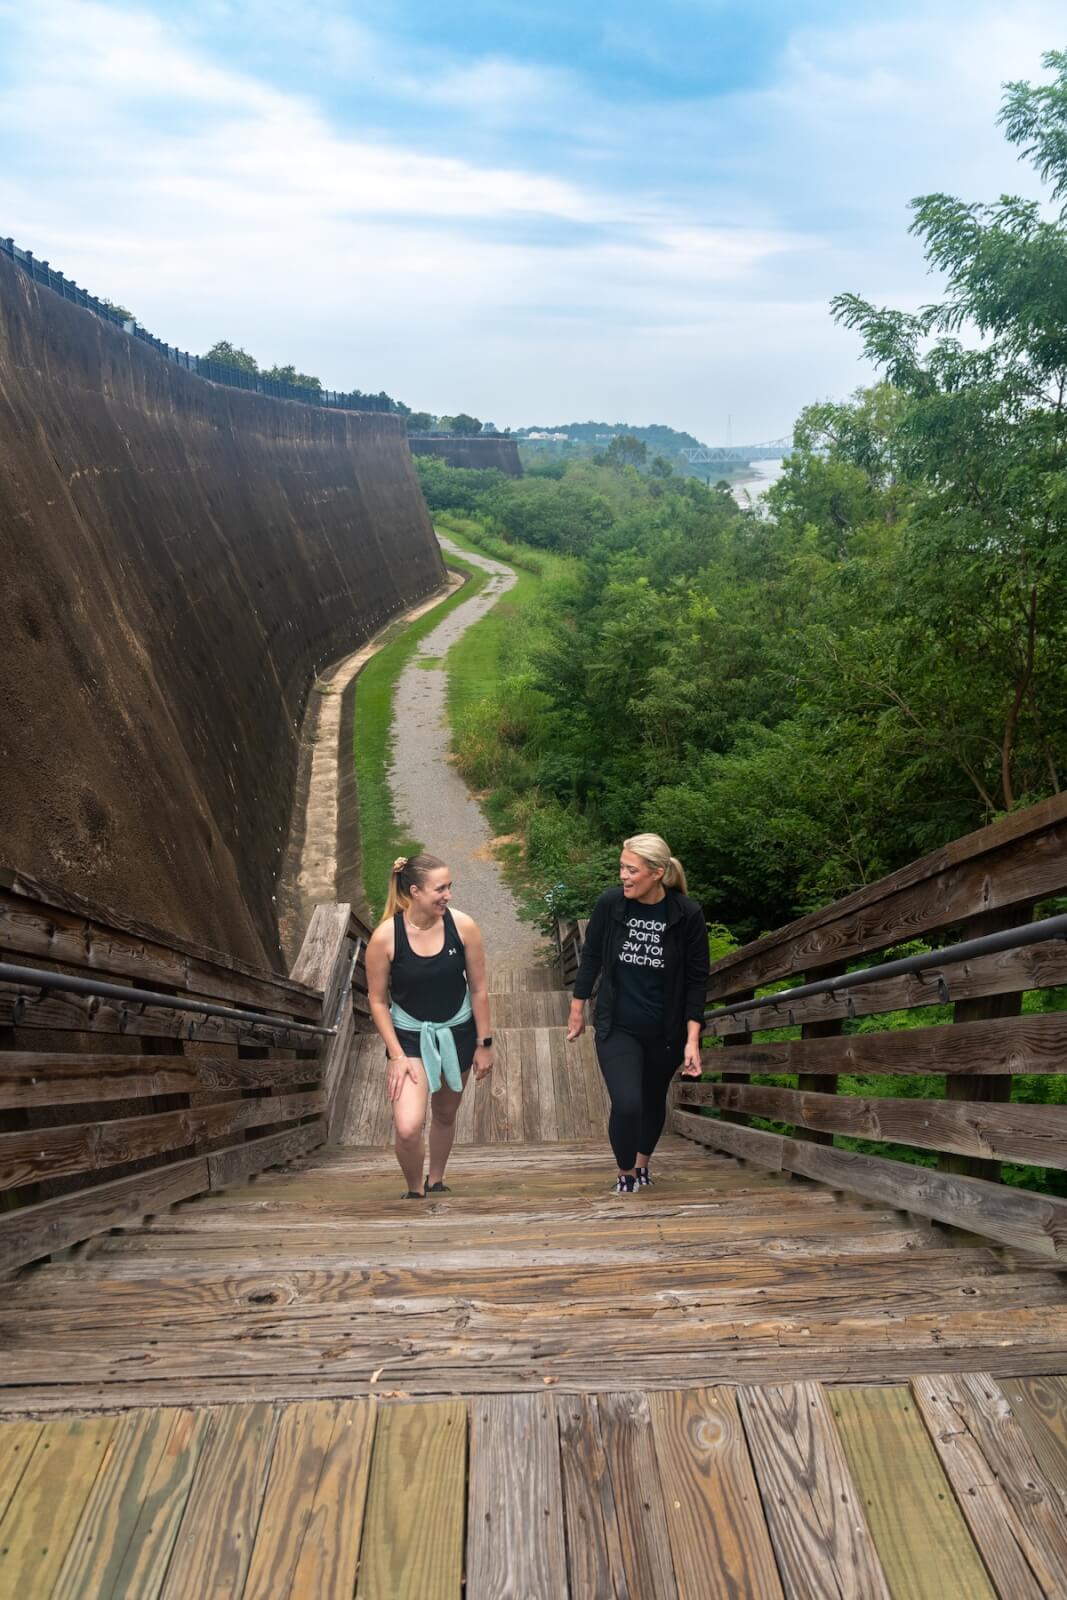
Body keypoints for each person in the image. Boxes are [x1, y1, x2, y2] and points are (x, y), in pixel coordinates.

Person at [566, 833, 709, 1193]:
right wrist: (577, 1007)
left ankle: (643, 1164)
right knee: (627, 1102)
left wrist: (692, 1040)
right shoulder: (612, 905)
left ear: (657, 873)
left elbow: (697, 980)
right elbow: (593, 956)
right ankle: (626, 1171)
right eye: (622, 868)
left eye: (632, 870)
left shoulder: (686, 915)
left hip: (666, 1032)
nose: (623, 877)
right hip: (618, 1026)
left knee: (652, 1098)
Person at [366, 854, 494, 1198]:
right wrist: (395, 1054)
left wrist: (485, 1044)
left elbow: (479, 988)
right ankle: (414, 1190)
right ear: (415, 892)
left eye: (449, 886)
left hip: (459, 1032)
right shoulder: (385, 937)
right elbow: (377, 1000)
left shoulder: (462, 926)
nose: (448, 894)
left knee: (445, 1112)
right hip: (409, 1038)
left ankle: (435, 1180)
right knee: (407, 1127)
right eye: (440, 888)